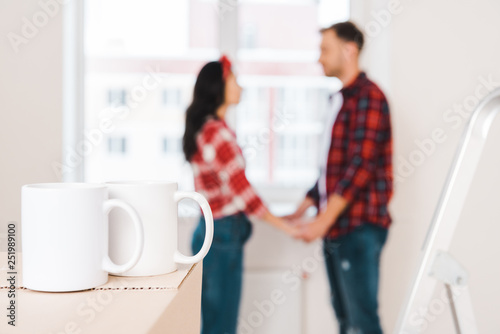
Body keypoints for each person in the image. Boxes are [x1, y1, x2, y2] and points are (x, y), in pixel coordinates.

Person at [288, 22, 393, 334]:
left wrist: (321, 221)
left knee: (362, 320)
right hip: (339, 227)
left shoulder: (369, 97)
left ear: (349, 51)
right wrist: (304, 207)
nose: (319, 58)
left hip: (358, 227)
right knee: (345, 319)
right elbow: (331, 169)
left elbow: (359, 166)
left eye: (325, 50)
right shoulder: (340, 100)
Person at [184, 55, 299, 334]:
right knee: (221, 325)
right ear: (219, 88)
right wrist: (287, 227)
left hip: (212, 231)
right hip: (222, 234)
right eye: (234, 80)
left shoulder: (209, 129)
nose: (241, 86)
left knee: (214, 321)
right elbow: (243, 193)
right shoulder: (217, 133)